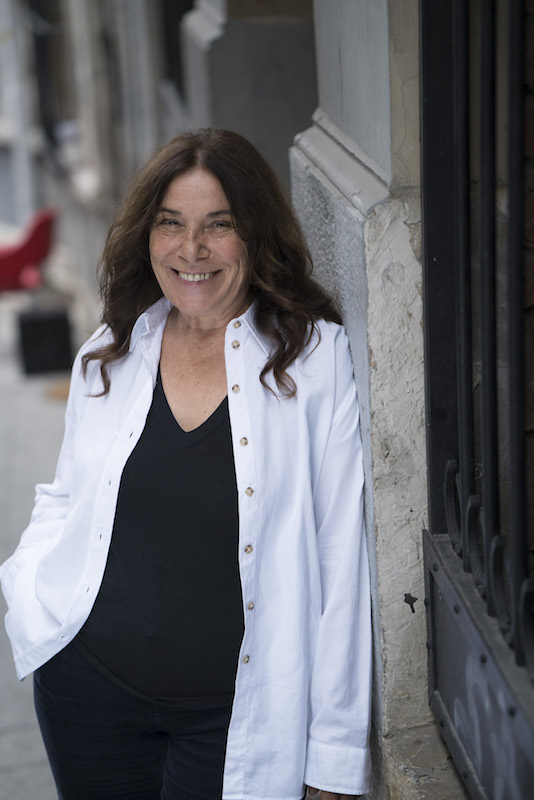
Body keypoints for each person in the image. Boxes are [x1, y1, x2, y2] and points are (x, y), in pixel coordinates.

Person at [0, 129, 372, 800]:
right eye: (171, 223)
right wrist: (27, 591)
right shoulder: (111, 353)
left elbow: (341, 558)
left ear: (256, 235)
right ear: (147, 235)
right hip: (88, 697)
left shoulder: (314, 361)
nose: (191, 250)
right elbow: (65, 496)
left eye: (218, 225)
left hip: (236, 720)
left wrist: (335, 753)